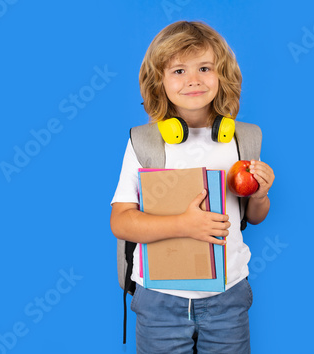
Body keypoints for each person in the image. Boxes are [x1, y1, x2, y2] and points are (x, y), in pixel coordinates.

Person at [110, 20, 275, 354]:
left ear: (223, 75)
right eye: (178, 71)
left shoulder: (244, 139)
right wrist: (184, 225)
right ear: (159, 82)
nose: (194, 80)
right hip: (160, 298)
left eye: (204, 68)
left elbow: (254, 217)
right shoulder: (145, 143)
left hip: (228, 294)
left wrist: (260, 194)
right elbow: (121, 222)